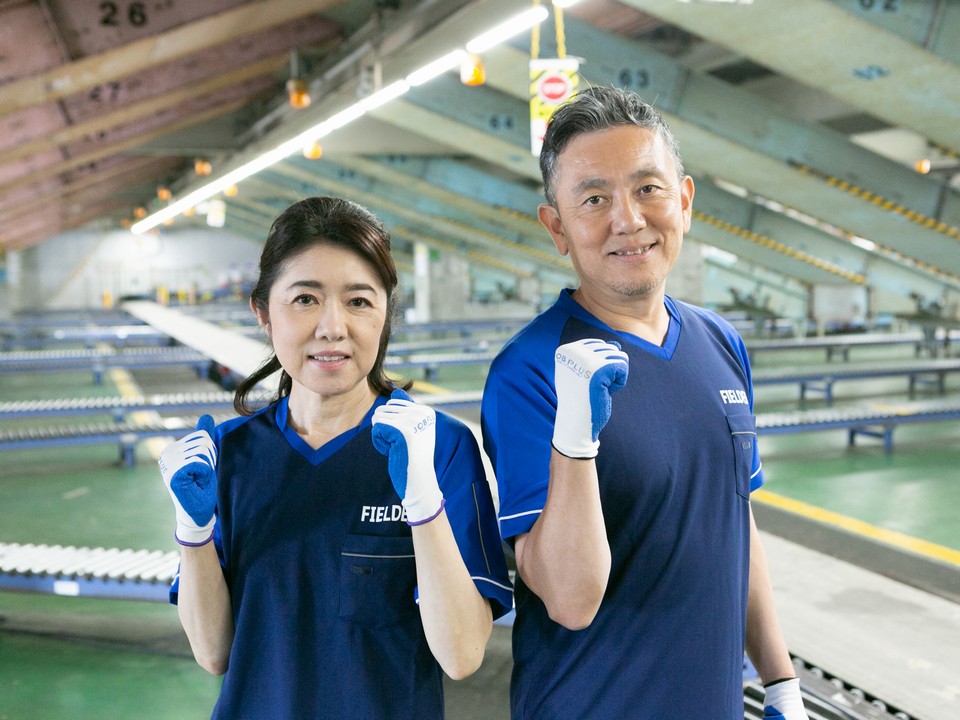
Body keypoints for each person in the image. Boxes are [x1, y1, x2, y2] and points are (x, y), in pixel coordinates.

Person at [480, 85, 809, 719]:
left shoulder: (720, 341)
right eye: (594, 199)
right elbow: (570, 600)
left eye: (648, 189)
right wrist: (573, 440)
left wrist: (780, 681)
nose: (627, 219)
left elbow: (734, 520)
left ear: (683, 202)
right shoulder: (530, 372)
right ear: (557, 228)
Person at [158, 196, 512, 719]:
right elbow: (214, 654)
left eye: (359, 301)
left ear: (386, 312)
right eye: (304, 299)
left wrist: (423, 502)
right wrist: (193, 531)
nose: (332, 327)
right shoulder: (225, 459)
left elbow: (461, 656)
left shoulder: (441, 449)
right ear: (262, 313)